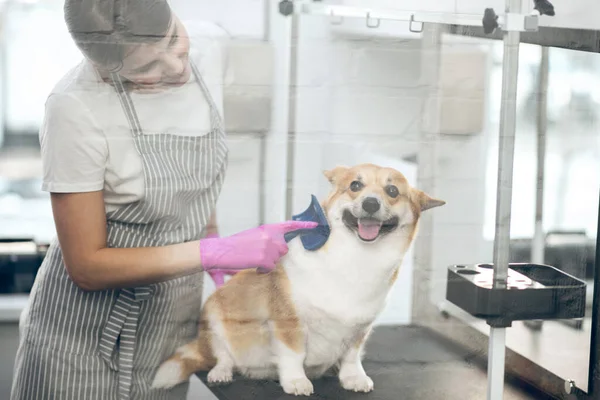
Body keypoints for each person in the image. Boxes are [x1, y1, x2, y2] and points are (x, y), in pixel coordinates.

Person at [10, 1, 316, 399]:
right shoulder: (74, 107)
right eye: (145, 70)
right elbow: (86, 266)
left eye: (173, 40)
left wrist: (215, 240)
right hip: (81, 345)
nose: (175, 67)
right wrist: (214, 251)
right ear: (105, 72)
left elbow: (195, 172)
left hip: (170, 328)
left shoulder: (208, 49)